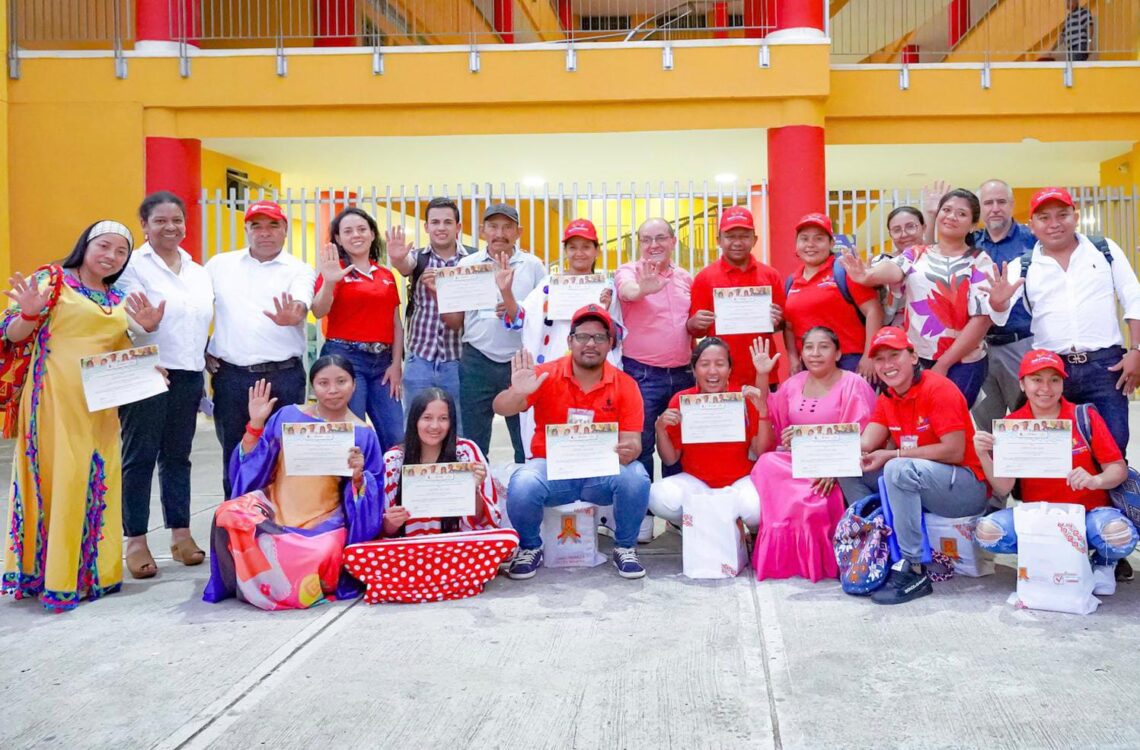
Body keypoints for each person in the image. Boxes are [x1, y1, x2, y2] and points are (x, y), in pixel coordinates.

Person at [1, 221, 165, 611]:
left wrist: (146, 359)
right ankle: (53, 575)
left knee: (98, 477)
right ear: (85, 246)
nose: (110, 256)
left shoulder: (116, 295)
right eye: (103, 246)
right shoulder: (52, 279)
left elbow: (118, 349)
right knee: (64, 476)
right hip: (55, 397)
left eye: (121, 251)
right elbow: (12, 335)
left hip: (101, 403)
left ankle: (94, 573)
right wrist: (27, 314)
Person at [203, 356, 386, 610]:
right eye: (323, 383)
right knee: (228, 514)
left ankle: (274, 581)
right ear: (313, 387)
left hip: (322, 522)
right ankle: (265, 581)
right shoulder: (288, 416)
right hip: (274, 509)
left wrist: (358, 477)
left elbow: (373, 496)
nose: (332, 390)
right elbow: (253, 465)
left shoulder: (363, 434)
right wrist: (256, 423)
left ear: (354, 385)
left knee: (320, 553)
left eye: (341, 382)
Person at [493, 304, 650, 580]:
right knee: (524, 482)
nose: (590, 344)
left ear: (610, 344)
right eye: (583, 336)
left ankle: (625, 547)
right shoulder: (544, 374)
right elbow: (500, 407)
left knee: (636, 476)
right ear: (570, 341)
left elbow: (633, 442)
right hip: (552, 472)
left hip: (599, 476)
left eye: (599, 338)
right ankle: (530, 547)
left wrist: (629, 451)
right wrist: (518, 392)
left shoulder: (625, 385)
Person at [837, 327, 991, 605]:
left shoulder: (938, 388)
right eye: (880, 359)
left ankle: (912, 566)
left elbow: (955, 451)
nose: (887, 365)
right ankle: (873, 547)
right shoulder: (888, 397)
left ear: (913, 356)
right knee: (850, 467)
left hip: (965, 488)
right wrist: (811, 446)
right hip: (924, 481)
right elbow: (864, 443)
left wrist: (893, 454)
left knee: (897, 468)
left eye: (894, 355)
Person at [972, 349, 1137, 584]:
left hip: (1088, 517)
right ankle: (1044, 556)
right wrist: (983, 455)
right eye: (1036, 380)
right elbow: (1003, 487)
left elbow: (1117, 469)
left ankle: (1103, 562)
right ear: (1022, 384)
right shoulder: (1013, 426)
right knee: (987, 533)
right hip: (1040, 518)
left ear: (1062, 383)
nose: (1045, 389)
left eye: (1054, 380)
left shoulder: (1084, 416)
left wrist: (1095, 480)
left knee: (1119, 536)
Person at [117, 192, 215, 579]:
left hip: (188, 373)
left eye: (176, 220)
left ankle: (181, 534)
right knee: (139, 457)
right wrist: (147, 325)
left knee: (178, 458)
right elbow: (126, 320)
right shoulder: (132, 266)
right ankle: (136, 540)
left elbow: (198, 322)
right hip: (148, 371)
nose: (170, 227)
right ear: (144, 224)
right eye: (159, 220)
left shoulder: (197, 270)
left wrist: (206, 356)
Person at [840, 189, 1012, 407]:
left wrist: (944, 363)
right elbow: (894, 269)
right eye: (947, 210)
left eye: (961, 214)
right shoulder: (917, 253)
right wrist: (868, 275)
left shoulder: (980, 261)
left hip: (963, 361)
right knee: (916, 424)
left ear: (972, 225)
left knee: (948, 424)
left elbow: (981, 320)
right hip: (915, 358)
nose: (951, 216)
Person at [999, 187, 1140, 454]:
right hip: (1050, 372)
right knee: (1056, 454)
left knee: (1112, 447)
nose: (1054, 224)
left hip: (1106, 368)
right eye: (1044, 217)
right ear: (1031, 226)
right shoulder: (1022, 266)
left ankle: (1110, 497)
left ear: (1075, 217)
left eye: (1062, 215)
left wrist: (1137, 350)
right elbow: (998, 313)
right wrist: (997, 301)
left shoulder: (1104, 250)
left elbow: (1134, 299)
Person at [205, 200, 316, 497]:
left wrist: (293, 315)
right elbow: (194, 308)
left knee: (284, 452)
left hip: (283, 376)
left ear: (285, 230)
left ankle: (281, 524)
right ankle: (234, 525)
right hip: (232, 377)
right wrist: (202, 346)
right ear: (246, 230)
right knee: (235, 452)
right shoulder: (219, 265)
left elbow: (300, 305)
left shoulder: (300, 270)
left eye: (273, 225)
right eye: (257, 226)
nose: (264, 233)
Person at [750, 327, 877, 581]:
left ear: (838, 352)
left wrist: (833, 469)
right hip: (797, 462)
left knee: (812, 505)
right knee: (766, 462)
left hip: (836, 469)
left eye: (824, 347)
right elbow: (767, 413)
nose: (815, 353)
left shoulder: (854, 384)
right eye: (809, 347)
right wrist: (762, 375)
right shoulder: (793, 384)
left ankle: (817, 562)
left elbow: (862, 438)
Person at [443, 203, 546, 464]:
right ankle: (480, 499)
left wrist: (515, 309)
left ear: (519, 232)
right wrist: (441, 295)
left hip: (519, 362)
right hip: (476, 360)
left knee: (524, 439)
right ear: (482, 231)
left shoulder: (533, 266)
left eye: (507, 227)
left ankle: (524, 495)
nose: (500, 233)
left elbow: (545, 315)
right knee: (474, 444)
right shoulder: (467, 265)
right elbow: (455, 321)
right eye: (493, 226)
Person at [515, 218, 621, 458]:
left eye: (586, 246)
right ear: (565, 251)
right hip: (554, 372)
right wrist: (505, 293)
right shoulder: (548, 285)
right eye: (572, 247)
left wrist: (605, 310)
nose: (579, 253)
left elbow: (617, 337)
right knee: (552, 427)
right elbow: (522, 318)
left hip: (594, 371)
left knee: (592, 430)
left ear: (597, 251)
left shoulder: (607, 288)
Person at [312, 207, 404, 451]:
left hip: (383, 364)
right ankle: (353, 489)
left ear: (373, 234)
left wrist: (396, 364)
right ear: (339, 239)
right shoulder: (334, 271)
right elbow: (319, 310)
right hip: (345, 359)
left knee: (396, 436)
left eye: (362, 229)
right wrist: (330, 281)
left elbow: (396, 323)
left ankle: (391, 488)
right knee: (351, 436)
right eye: (348, 231)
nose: (356, 235)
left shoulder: (385, 274)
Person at [648, 337, 764, 531]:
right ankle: (696, 527)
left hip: (739, 482)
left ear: (729, 369)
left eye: (720, 364)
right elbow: (670, 460)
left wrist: (763, 412)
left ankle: (739, 530)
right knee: (658, 496)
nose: (712, 371)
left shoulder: (744, 398)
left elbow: (760, 450)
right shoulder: (681, 399)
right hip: (697, 483)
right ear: (694, 370)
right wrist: (660, 429)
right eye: (704, 364)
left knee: (756, 509)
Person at [952, 180, 1038, 434]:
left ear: (1012, 205)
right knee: (987, 428)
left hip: (1020, 343)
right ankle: (994, 474)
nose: (995, 208)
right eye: (988, 203)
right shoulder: (969, 244)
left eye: (1001, 202)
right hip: (979, 348)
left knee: (1028, 422)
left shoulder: (1033, 241)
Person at [616, 217, 695, 483]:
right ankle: (644, 515)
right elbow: (627, 291)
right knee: (641, 445)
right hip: (642, 375)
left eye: (660, 238)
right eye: (646, 239)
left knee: (680, 444)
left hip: (684, 375)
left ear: (673, 241)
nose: (653, 245)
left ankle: (676, 515)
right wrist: (642, 290)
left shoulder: (685, 277)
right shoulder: (628, 271)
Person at [387, 197, 474, 419]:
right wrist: (397, 259)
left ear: (458, 227)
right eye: (435, 222)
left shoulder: (472, 261)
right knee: (416, 423)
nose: (441, 228)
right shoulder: (419, 258)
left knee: (458, 424)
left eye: (447, 222)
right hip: (420, 359)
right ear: (426, 227)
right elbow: (406, 265)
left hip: (459, 359)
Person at [380, 388, 502, 537]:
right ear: (414, 420)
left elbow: (486, 522)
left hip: (459, 547)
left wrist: (473, 491)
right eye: (427, 418)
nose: (435, 426)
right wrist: (391, 522)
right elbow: (383, 531)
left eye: (443, 418)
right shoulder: (393, 460)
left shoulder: (466, 452)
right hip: (408, 551)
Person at [688, 206, 784, 390]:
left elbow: (781, 325)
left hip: (763, 372)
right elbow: (696, 331)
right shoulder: (704, 278)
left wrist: (777, 320)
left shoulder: (770, 276)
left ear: (754, 239)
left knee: (764, 418)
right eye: (730, 236)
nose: (737, 242)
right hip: (719, 377)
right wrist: (695, 322)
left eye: (744, 236)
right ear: (719, 240)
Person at [782, 213, 882, 379]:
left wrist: (869, 355)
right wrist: (792, 357)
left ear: (831, 243)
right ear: (796, 245)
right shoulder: (791, 281)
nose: (810, 245)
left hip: (850, 362)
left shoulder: (845, 270)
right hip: (810, 365)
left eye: (819, 238)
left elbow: (874, 311)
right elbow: (789, 326)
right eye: (804, 239)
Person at [875, 206, 926, 328]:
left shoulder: (940, 260)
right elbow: (882, 318)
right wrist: (894, 292)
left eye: (910, 226)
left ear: (924, 228)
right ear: (890, 234)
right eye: (897, 230)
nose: (904, 234)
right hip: (896, 340)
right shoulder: (881, 263)